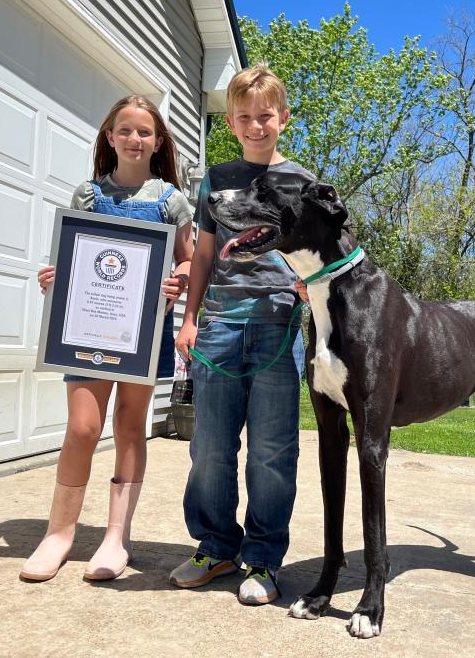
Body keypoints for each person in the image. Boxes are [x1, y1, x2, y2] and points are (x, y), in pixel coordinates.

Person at [20, 95, 194, 582]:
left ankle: (116, 538)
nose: (135, 139)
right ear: (109, 137)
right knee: (81, 428)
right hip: (86, 329)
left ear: (158, 142)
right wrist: (56, 278)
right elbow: (72, 254)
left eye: (144, 132)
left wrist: (176, 280)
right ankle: (59, 534)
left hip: (142, 330)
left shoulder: (170, 201)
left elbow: (187, 258)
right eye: (125, 130)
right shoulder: (88, 196)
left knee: (130, 424)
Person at [170, 65, 309, 605]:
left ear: (283, 118)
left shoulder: (300, 181)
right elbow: (202, 255)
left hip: (277, 323)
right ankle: (216, 546)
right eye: (245, 117)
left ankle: (264, 559)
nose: (256, 125)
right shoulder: (217, 179)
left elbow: (316, 252)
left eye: (266, 116)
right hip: (219, 326)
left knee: (272, 451)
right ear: (231, 122)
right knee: (210, 446)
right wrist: (189, 319)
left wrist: (305, 285)